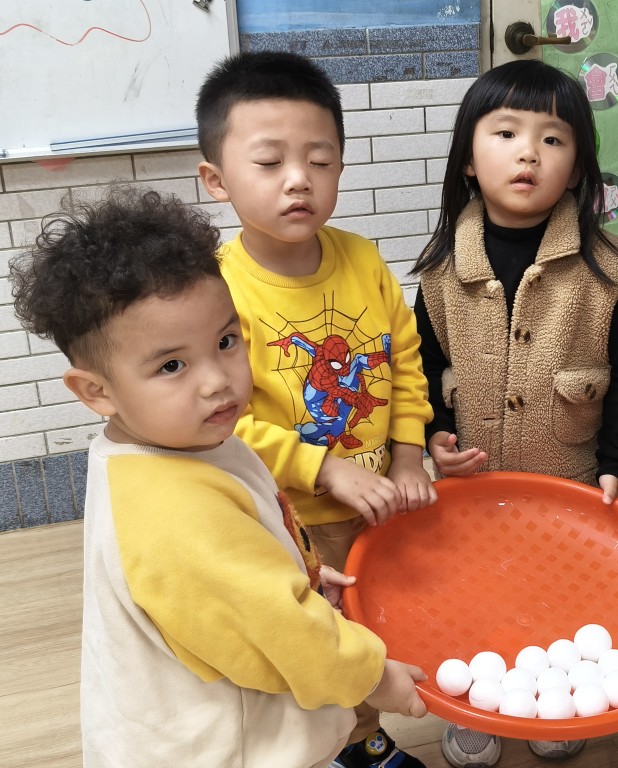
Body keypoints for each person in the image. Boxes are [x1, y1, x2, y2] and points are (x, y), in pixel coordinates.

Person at [8, 186, 428, 768]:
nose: (218, 380)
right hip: (219, 748)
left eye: (227, 342)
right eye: (172, 365)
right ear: (96, 391)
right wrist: (374, 677)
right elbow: (284, 633)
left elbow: (238, 572)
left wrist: (296, 574)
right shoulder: (171, 511)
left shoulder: (186, 441)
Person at [195, 51, 435, 768]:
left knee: (383, 625)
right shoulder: (214, 292)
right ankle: (352, 746)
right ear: (216, 180)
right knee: (322, 640)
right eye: (270, 162)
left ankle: (368, 730)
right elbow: (222, 421)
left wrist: (409, 455)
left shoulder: (363, 260)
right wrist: (324, 469)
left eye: (320, 160)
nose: (299, 178)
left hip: (383, 503)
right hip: (291, 517)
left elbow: (403, 361)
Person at [411, 59, 618, 767]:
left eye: (553, 139)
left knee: (560, 597)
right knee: (474, 596)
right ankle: (476, 704)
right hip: (471, 490)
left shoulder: (608, 268)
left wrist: (617, 462)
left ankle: (555, 696)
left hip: (568, 482)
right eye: (506, 133)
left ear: (576, 170)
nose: (529, 154)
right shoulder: (441, 268)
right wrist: (433, 436)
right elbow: (419, 368)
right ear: (468, 160)